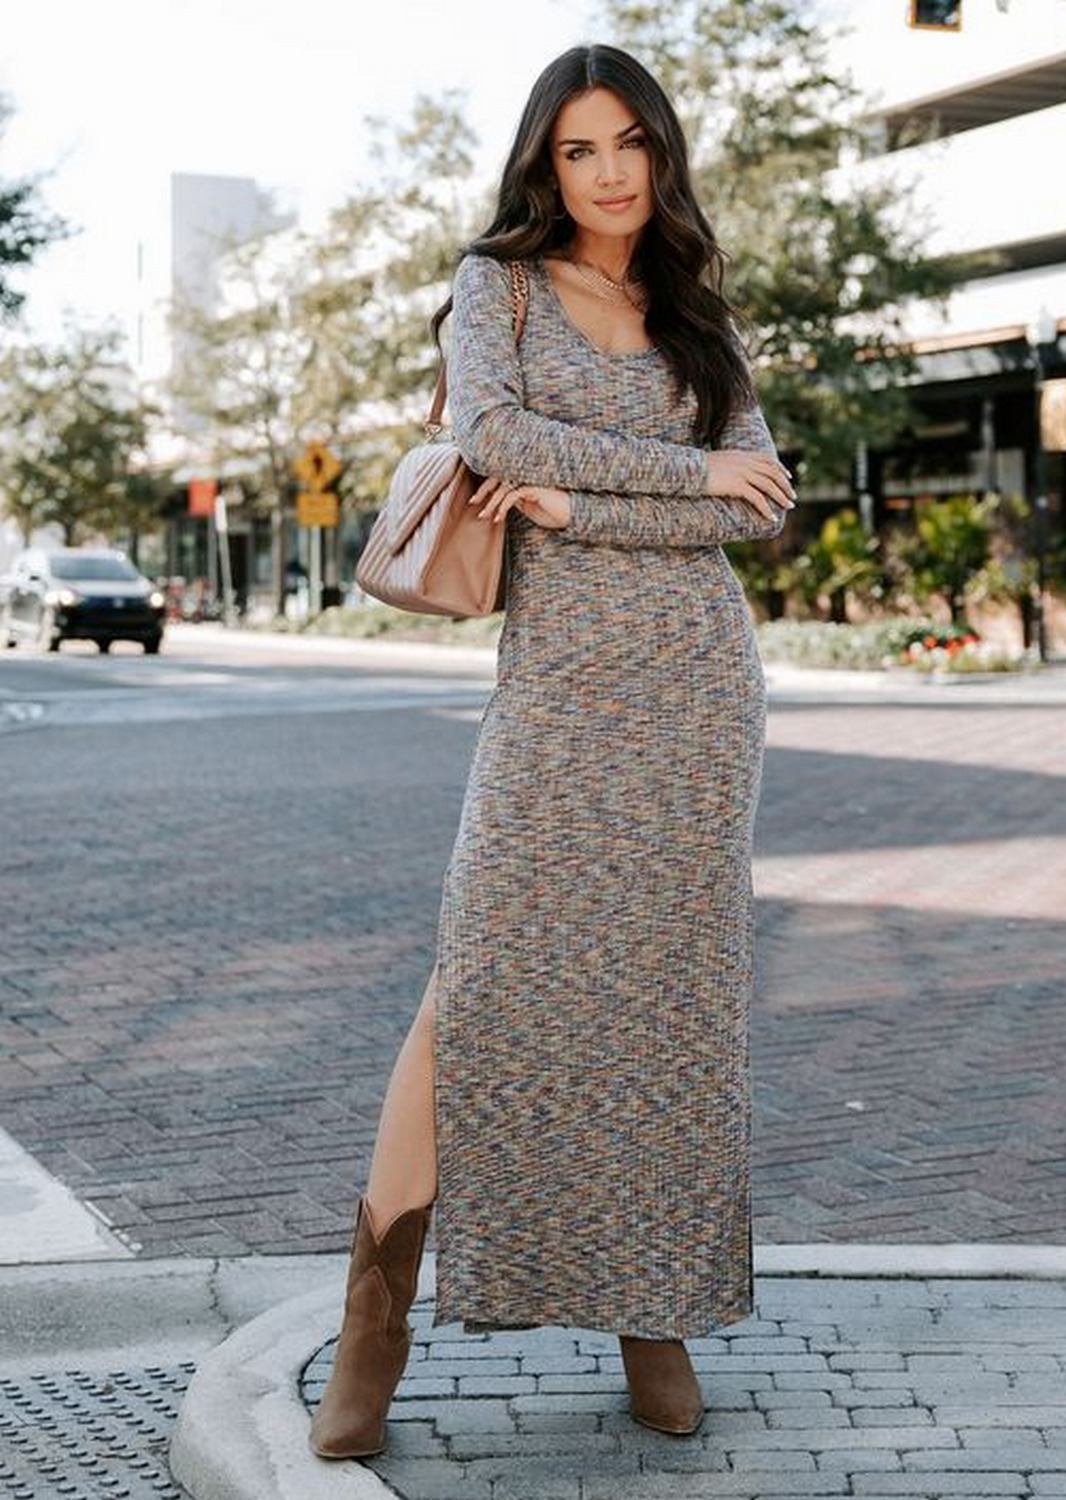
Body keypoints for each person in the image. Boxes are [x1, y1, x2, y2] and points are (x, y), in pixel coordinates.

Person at [309, 41, 795, 1460]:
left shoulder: (694, 309)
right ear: (546, 161)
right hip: (561, 690)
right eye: (580, 149)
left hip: (700, 692)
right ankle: (373, 1324)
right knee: (483, 986)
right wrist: (681, 475)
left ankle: (658, 1311)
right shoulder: (498, 287)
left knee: (668, 1007)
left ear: (662, 149)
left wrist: (592, 509)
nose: (611, 171)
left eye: (630, 141)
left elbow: (755, 504)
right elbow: (492, 426)